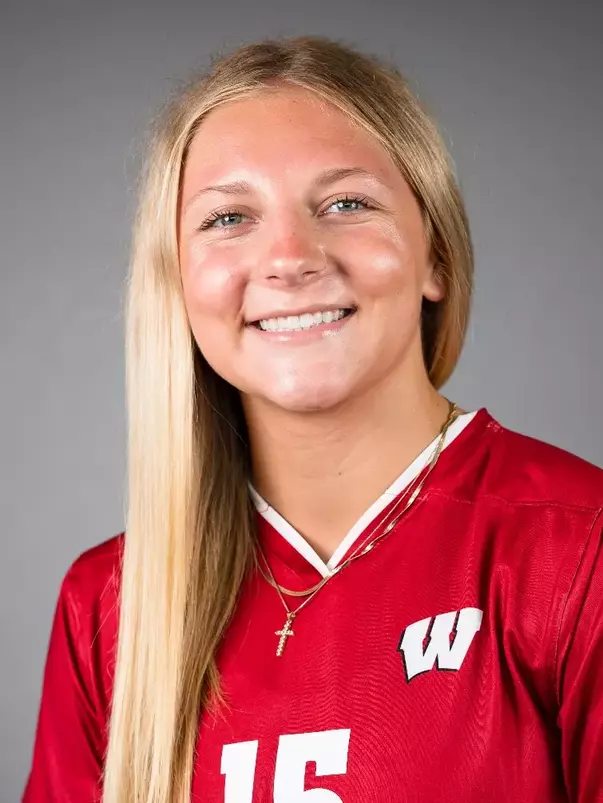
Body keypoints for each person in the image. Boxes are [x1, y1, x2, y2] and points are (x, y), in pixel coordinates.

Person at [22, 35, 603, 803]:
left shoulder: (574, 547)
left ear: (434, 255)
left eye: (345, 203)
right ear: (176, 279)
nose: (290, 257)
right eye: (229, 217)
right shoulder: (109, 605)